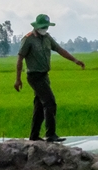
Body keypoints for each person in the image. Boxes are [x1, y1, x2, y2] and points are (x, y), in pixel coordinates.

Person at [14, 14, 85, 142]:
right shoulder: (28, 39)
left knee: (39, 105)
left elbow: (59, 49)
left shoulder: (47, 38)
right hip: (34, 76)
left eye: (46, 27)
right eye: (43, 27)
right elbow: (20, 58)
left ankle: (34, 136)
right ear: (36, 26)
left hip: (44, 75)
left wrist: (75, 60)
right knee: (50, 102)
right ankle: (50, 134)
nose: (45, 29)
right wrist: (18, 79)